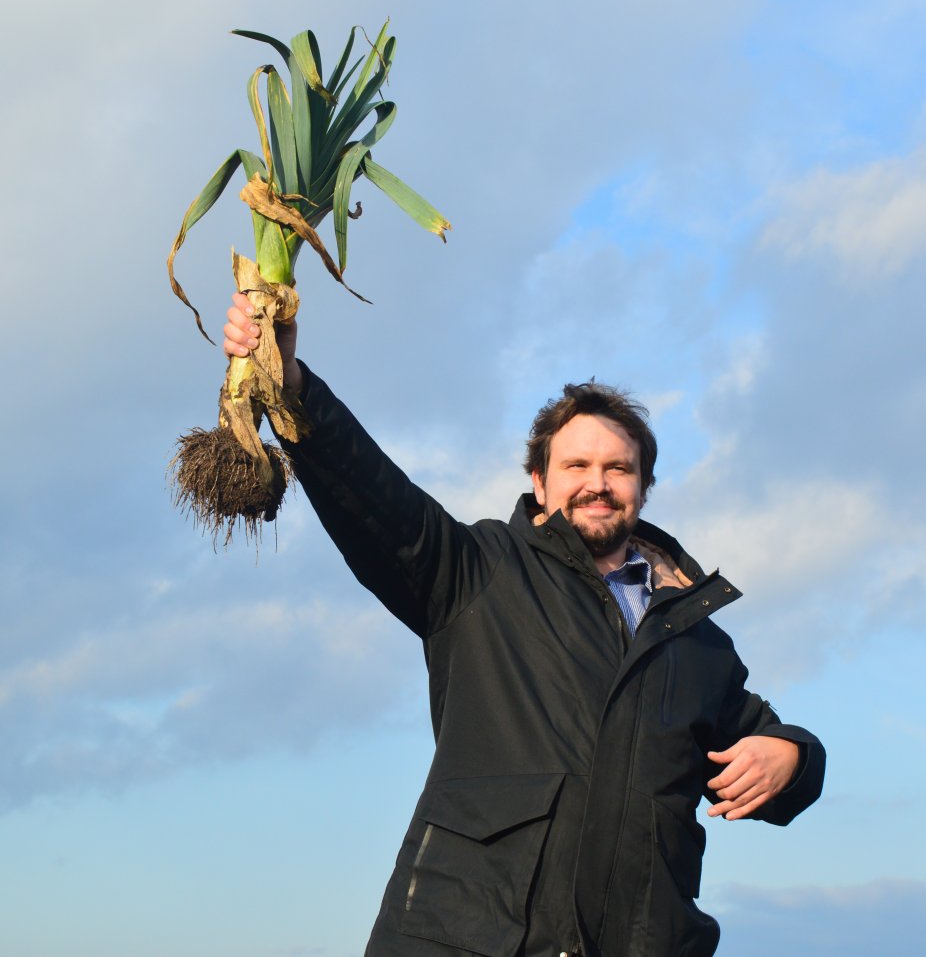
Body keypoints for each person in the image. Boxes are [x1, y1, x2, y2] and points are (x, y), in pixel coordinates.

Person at [224, 293, 825, 957]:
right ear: (538, 483)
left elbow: (766, 741)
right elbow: (375, 497)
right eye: (576, 466)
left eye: (617, 468)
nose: (597, 483)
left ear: (644, 485)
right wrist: (295, 388)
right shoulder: (478, 571)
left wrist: (792, 756)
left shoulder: (698, 642)